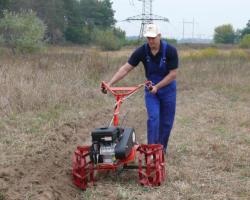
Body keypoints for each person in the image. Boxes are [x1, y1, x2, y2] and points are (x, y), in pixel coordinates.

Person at [102, 23, 178, 153]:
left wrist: (158, 86)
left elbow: (173, 74)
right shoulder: (142, 51)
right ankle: (151, 151)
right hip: (151, 91)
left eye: (153, 37)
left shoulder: (170, 50)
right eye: (148, 38)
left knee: (166, 123)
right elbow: (126, 68)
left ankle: (161, 150)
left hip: (167, 90)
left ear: (159, 36)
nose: (150, 40)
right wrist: (110, 83)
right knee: (154, 118)